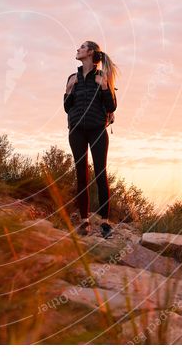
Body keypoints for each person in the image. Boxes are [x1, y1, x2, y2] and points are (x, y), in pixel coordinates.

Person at [63, 41, 119, 238]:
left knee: (100, 174)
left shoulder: (102, 76)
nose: (77, 49)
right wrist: (69, 90)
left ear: (90, 52)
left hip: (97, 130)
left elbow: (111, 106)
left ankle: (105, 222)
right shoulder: (72, 77)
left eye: (81, 47)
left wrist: (104, 87)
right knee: (81, 174)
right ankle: (84, 221)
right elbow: (67, 107)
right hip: (76, 130)